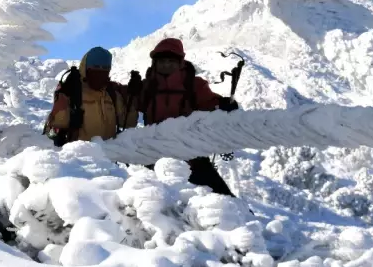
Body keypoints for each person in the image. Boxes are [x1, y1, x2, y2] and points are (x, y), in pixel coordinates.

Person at [138, 38, 239, 196]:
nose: (166, 65)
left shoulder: (194, 85)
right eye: (162, 61)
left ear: (180, 62)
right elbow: (127, 105)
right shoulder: (146, 87)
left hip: (192, 156)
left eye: (171, 61)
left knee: (228, 203)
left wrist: (225, 105)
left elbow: (211, 105)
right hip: (156, 158)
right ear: (155, 62)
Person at [44, 47, 137, 144]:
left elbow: (129, 123)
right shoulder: (73, 91)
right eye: (96, 67)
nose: (100, 72)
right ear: (86, 68)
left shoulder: (112, 94)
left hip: (109, 156)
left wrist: (131, 99)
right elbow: (54, 130)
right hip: (81, 157)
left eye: (105, 68)